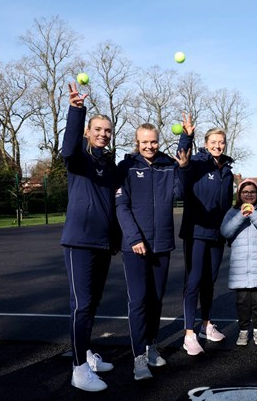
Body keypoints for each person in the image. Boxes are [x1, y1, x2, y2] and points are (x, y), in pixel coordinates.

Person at [115, 123, 190, 380]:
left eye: (154, 142)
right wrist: (134, 237)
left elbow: (180, 191)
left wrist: (183, 158)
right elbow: (121, 206)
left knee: (156, 299)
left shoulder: (168, 165)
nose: (149, 146)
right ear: (137, 142)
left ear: (159, 141)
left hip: (162, 244)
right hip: (135, 247)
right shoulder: (126, 167)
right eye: (144, 142)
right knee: (138, 301)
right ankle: (138, 358)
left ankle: (150, 345)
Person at [61, 82, 120, 392]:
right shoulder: (79, 160)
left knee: (92, 303)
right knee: (81, 306)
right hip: (79, 243)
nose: (102, 133)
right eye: (97, 129)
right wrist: (76, 110)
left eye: (107, 130)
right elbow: (68, 147)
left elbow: (112, 205)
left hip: (101, 244)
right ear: (88, 131)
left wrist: (115, 239)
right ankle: (79, 369)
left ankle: (85, 353)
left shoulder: (107, 165)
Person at [177, 119, 234, 355]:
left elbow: (227, 205)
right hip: (196, 232)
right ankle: (189, 334)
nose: (218, 146)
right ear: (206, 143)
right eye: (213, 142)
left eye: (221, 142)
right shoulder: (197, 163)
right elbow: (183, 159)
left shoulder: (228, 171)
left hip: (217, 235)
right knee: (194, 282)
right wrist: (186, 137)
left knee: (209, 281)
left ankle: (205, 325)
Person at [221, 179, 257, 346]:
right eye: (245, 192)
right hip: (240, 267)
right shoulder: (232, 211)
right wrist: (240, 215)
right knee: (243, 302)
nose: (249, 195)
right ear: (240, 194)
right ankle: (243, 331)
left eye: (252, 192)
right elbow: (225, 231)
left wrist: (253, 214)